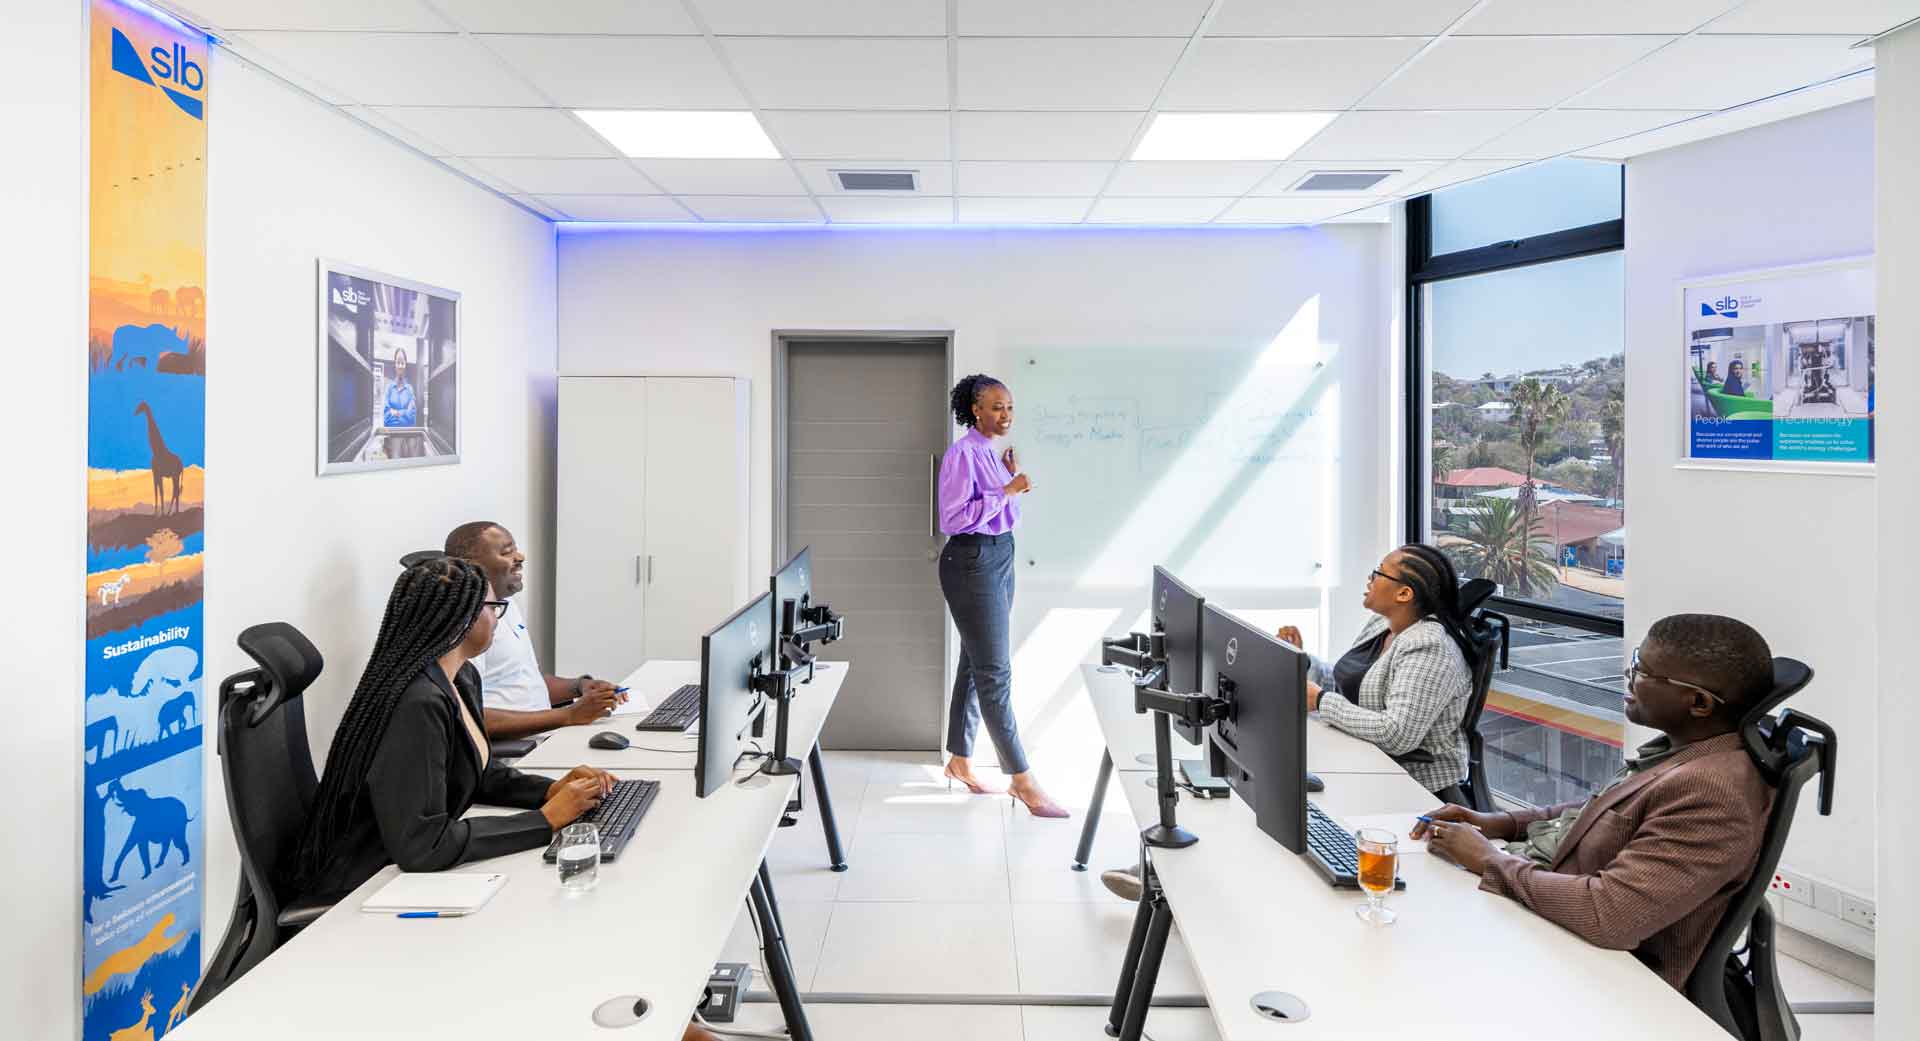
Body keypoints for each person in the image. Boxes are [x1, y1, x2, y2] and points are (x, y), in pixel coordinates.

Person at [289, 558, 721, 1041]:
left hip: (418, 873)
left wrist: (550, 790)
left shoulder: (456, 679)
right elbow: (421, 846)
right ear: (464, 621)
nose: (500, 617)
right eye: (493, 608)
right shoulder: (416, 703)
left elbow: (479, 775)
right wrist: (545, 820)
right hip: (375, 890)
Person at [1416, 613, 1776, 992]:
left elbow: (1610, 915)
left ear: (1699, 702)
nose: (1628, 675)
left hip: (1584, 965)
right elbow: (1602, 808)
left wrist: (1490, 860)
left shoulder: (1713, 793)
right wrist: (1500, 823)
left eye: (1642, 669)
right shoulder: (1682, 751)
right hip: (1542, 891)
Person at [1101, 543, 1477, 901]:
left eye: (1379, 573)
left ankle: (1173, 885)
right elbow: (1349, 682)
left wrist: (1320, 701)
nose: (1370, 578)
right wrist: (1302, 661)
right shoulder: (1384, 627)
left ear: (1404, 594)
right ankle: (1170, 881)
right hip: (1363, 758)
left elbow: (1398, 734)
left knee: (1270, 805)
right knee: (1250, 792)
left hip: (1406, 786)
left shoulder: (1429, 646)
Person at [936, 374, 1066, 819]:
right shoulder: (962, 455)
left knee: (975, 662)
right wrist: (1007, 489)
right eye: (996, 407)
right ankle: (1022, 780)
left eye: (1009, 407)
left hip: (999, 556)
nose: (1005, 415)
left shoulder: (990, 455)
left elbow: (998, 511)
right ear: (975, 409)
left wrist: (1007, 483)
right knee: (994, 671)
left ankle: (959, 760)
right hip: (971, 561)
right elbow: (953, 519)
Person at [446, 521, 626, 739]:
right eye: (507, 552)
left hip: (546, 734)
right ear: (472, 565)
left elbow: (526, 682)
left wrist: (580, 687)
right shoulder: (466, 624)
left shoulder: (507, 606)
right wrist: (569, 715)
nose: (520, 557)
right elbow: (464, 716)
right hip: (514, 752)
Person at [383, 349, 418, 427]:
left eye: (402, 363)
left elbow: (411, 418)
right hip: (390, 435)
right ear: (395, 364)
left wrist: (395, 413)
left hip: (407, 436)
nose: (400, 366)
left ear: (405, 365)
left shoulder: (410, 389)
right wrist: (404, 413)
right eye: (398, 362)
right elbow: (386, 418)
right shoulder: (389, 388)